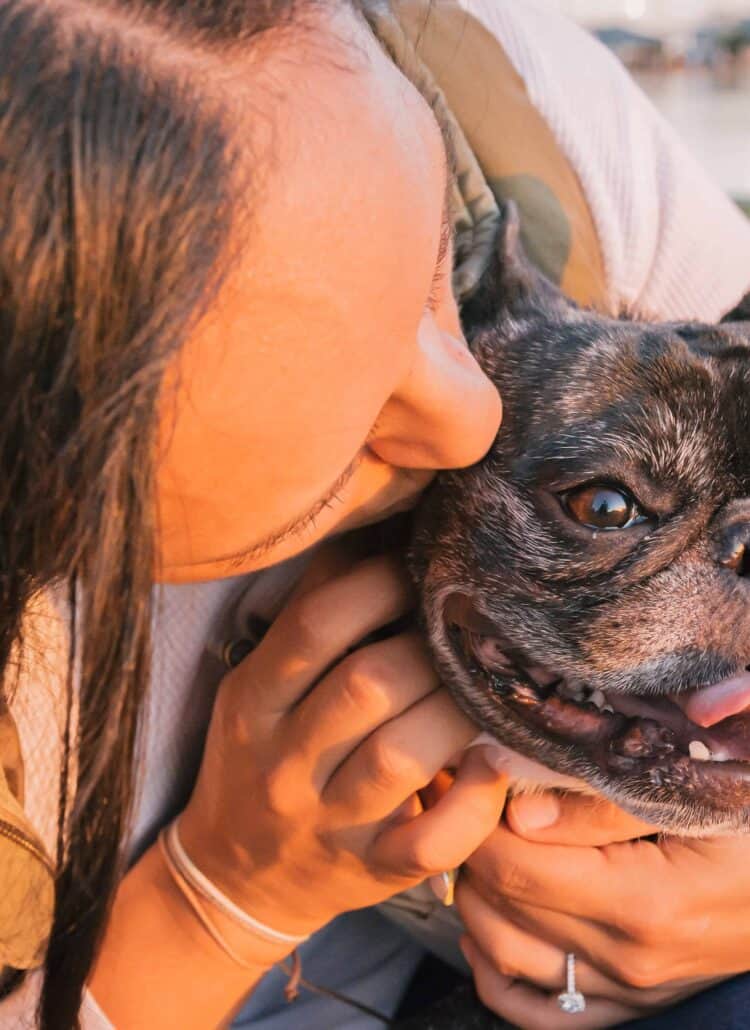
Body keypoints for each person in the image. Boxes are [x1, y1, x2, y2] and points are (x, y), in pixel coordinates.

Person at [1, 1, 750, 1028]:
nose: (469, 411)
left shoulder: (516, 119)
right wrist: (218, 899)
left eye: (439, 271)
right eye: (352, 417)